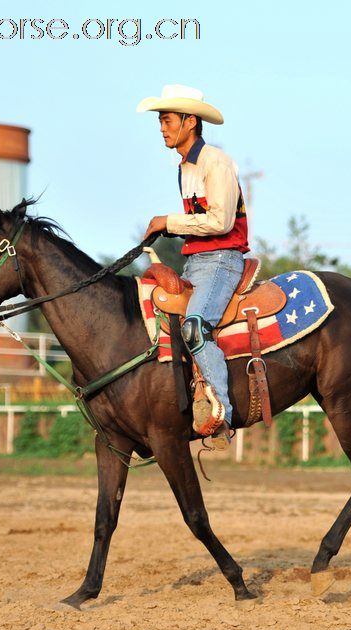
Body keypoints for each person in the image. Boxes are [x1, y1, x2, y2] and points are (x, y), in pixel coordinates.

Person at [138, 84, 250, 446]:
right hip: (196, 262)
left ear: (190, 122)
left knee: (195, 329)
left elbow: (220, 222)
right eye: (160, 120)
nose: (162, 127)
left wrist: (167, 222)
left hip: (222, 262)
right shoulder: (184, 168)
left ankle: (222, 418)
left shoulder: (216, 162)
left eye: (167, 120)